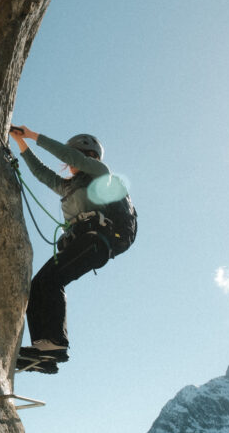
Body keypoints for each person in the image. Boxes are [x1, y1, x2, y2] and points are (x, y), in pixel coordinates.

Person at [8, 125, 137, 373]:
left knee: (51, 281)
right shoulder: (69, 187)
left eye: (76, 157)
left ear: (91, 156)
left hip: (97, 240)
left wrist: (32, 135)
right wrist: (20, 143)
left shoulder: (101, 173)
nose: (70, 164)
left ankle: (55, 346)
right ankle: (44, 351)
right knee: (38, 284)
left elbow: (70, 157)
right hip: (84, 242)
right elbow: (42, 174)